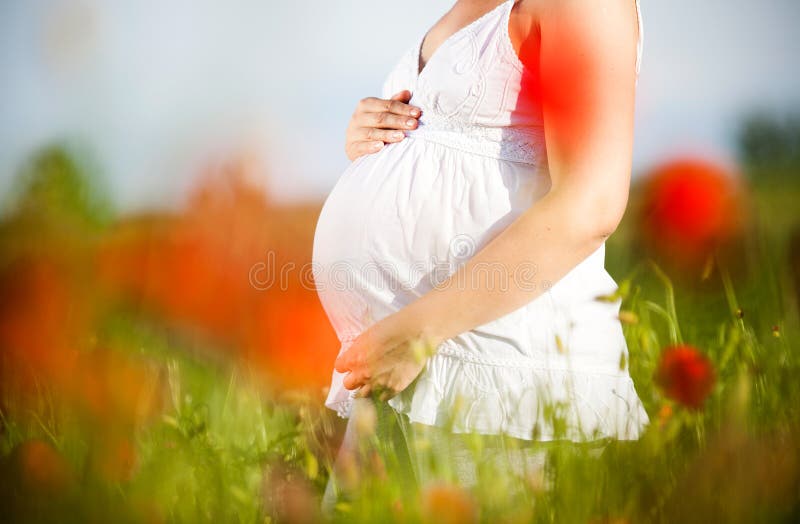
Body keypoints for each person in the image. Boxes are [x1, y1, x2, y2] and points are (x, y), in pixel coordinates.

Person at [312, 0, 648, 513]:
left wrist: (420, 332)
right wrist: (375, 137)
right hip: (402, 373)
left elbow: (592, 201)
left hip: (498, 387)